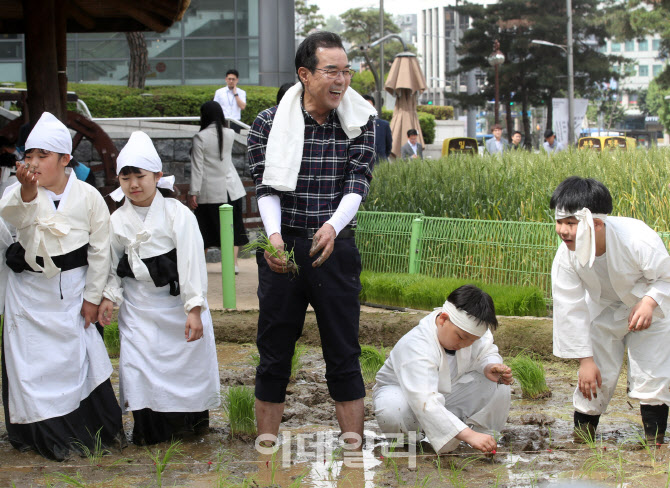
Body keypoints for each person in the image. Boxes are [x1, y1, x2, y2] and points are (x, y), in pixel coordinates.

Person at [247, 30, 376, 448]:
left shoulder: (360, 122)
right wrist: (274, 238)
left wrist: (334, 226)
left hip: (335, 248)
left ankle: (353, 451)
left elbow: (358, 182)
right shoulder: (269, 123)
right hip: (283, 247)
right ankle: (267, 448)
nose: (341, 81)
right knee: (274, 351)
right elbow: (266, 187)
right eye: (331, 71)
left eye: (346, 71)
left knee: (343, 350)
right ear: (305, 74)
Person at [0, 112, 123, 461]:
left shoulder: (87, 197)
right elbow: (14, 222)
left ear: (65, 159)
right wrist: (26, 192)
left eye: (43, 156)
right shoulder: (15, 192)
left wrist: (92, 297)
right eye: (29, 155)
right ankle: (38, 434)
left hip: (72, 291)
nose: (34, 163)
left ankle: (84, 429)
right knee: (31, 364)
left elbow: (101, 250)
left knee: (76, 361)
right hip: (28, 294)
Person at [99, 131, 220, 446]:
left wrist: (194, 309)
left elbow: (192, 264)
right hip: (139, 311)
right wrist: (109, 297)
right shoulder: (117, 220)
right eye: (126, 178)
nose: (134, 185)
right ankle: (148, 433)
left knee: (186, 370)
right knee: (138, 370)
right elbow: (110, 266)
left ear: (156, 176)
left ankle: (190, 429)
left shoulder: (178, 214)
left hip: (178, 308)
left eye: (140, 176)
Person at [551, 176, 670, 444]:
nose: (563, 231)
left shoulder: (638, 239)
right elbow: (569, 306)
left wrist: (650, 301)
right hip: (603, 311)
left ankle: (655, 444)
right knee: (593, 379)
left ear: (596, 224)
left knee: (652, 376)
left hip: (651, 309)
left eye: (571, 223)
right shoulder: (566, 256)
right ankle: (582, 442)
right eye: (559, 222)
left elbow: (665, 277)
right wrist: (585, 360)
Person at [373, 285, 512, 454]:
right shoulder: (416, 345)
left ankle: (484, 438)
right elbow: (423, 399)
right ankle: (409, 443)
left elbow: (486, 352)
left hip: (444, 395)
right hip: (406, 398)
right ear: (443, 319)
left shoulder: (471, 333)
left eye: (473, 340)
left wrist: (489, 366)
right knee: (393, 408)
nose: (466, 344)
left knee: (497, 381)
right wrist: (468, 435)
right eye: (461, 337)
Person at [188, 101, 249, 273]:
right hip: (232, 189)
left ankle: (199, 266)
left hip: (211, 192)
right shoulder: (229, 133)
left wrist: (194, 192)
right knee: (233, 228)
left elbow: (197, 168)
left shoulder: (200, 138)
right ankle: (232, 265)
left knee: (204, 229)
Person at [363, 94, 393, 161]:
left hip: (380, 164)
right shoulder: (354, 125)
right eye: (365, 106)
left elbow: (388, 146)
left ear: (373, 107)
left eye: (370, 106)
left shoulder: (384, 125)